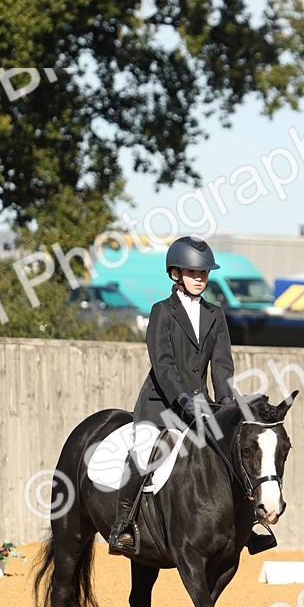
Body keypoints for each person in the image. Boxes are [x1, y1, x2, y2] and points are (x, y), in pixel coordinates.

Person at [108, 235, 237, 555]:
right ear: (176, 273)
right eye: (193, 273)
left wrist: (227, 403)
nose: (200, 278)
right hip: (161, 404)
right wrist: (181, 398)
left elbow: (222, 364)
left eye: (204, 273)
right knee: (142, 452)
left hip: (201, 405)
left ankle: (246, 527)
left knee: (234, 450)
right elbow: (163, 363)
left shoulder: (215, 314)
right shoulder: (162, 311)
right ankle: (123, 525)